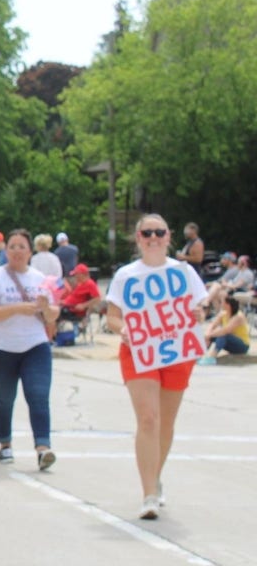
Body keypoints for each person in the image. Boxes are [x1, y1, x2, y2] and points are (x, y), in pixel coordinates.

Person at [105, 214, 208, 520]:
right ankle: (149, 493)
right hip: (138, 352)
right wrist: (121, 329)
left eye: (159, 232)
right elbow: (113, 315)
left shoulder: (184, 272)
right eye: (146, 232)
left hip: (177, 352)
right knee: (148, 419)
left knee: (165, 422)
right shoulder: (126, 274)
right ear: (138, 238)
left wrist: (199, 314)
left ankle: (156, 475)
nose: (153, 237)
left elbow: (198, 307)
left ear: (168, 236)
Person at [0, 229, 59, 469]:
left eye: (22, 246)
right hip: (1, 349)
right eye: (12, 246)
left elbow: (53, 315)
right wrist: (15, 309)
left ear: (30, 251)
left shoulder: (39, 278)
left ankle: (43, 448)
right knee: (4, 398)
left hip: (35, 346)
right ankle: (5, 444)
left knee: (38, 395)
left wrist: (45, 308)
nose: (17, 251)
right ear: (6, 250)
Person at [198, 296, 250, 365]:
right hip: (230, 342)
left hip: (242, 346)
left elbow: (226, 330)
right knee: (212, 335)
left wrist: (210, 334)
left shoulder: (238, 316)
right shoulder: (223, 314)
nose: (221, 304)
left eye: (222, 302)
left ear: (227, 305)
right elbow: (212, 325)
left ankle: (212, 356)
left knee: (223, 335)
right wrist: (208, 334)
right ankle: (199, 355)